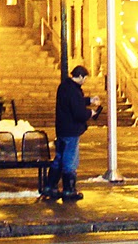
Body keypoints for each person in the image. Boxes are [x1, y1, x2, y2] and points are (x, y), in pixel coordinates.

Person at [41, 64, 99, 201]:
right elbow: (78, 112)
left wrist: (89, 100)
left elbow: (73, 102)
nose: (85, 81)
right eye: (85, 78)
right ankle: (69, 190)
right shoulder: (74, 91)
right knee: (70, 160)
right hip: (71, 130)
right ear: (80, 76)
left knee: (59, 158)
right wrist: (91, 113)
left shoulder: (64, 87)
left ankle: (50, 186)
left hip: (62, 129)